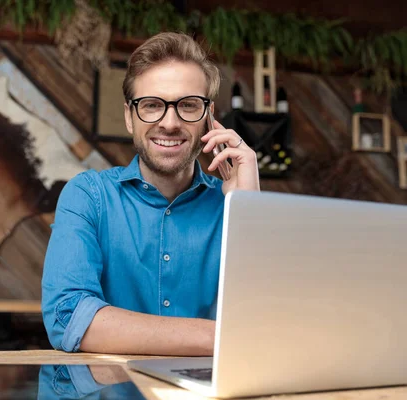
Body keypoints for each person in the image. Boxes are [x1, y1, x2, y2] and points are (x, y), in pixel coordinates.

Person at [42, 32, 260, 356]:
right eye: (152, 105)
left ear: (209, 117)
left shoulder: (235, 204)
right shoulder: (87, 197)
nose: (169, 123)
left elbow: (264, 326)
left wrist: (249, 213)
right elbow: (69, 316)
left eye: (187, 105)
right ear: (130, 117)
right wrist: (219, 337)